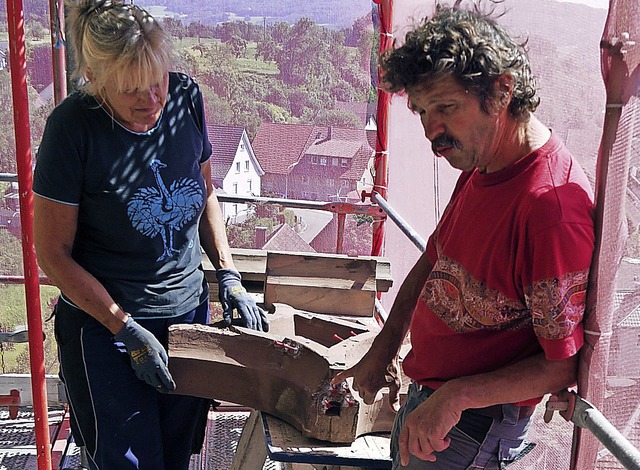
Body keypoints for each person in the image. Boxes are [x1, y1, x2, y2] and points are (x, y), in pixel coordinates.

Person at [333, 3, 595, 469]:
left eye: (447, 108)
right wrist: (384, 349)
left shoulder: (550, 210)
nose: (433, 131)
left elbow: (563, 364)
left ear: (501, 91)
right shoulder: (482, 162)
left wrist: (456, 397)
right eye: (422, 111)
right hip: (434, 403)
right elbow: (435, 260)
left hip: (471, 425)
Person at [32, 0, 268, 468]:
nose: (151, 100)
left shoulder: (186, 100)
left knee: (176, 456)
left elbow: (204, 195)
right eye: (130, 90)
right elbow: (52, 255)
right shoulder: (73, 128)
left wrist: (229, 275)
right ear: (97, 85)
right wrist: (127, 329)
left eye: (156, 82)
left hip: (186, 322)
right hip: (106, 333)